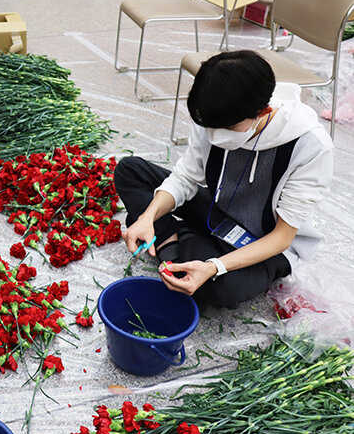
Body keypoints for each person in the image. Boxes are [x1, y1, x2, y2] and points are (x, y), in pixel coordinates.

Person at [114, 50, 333, 309]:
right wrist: (149, 216)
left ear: (263, 111)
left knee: (223, 290)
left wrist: (214, 266)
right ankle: (174, 244)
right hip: (220, 210)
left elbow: (282, 237)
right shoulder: (215, 114)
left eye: (227, 129)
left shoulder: (310, 147)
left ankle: (180, 241)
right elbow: (185, 177)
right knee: (130, 170)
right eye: (210, 127)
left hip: (265, 240)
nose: (215, 136)